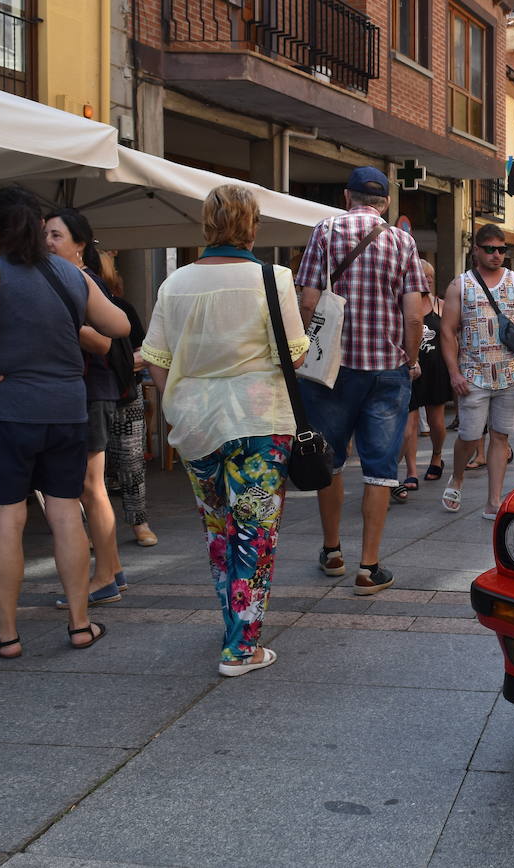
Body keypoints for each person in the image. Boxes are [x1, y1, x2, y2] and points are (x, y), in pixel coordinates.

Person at [0, 185, 129, 658]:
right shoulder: (69, 273)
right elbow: (121, 326)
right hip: (66, 409)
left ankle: (7, 636)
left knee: (7, 518)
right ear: (40, 227)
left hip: (5, 410)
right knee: (66, 512)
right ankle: (80, 625)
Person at [142, 184, 308, 677]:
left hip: (195, 421)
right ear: (252, 225)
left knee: (219, 529)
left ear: (207, 225)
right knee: (255, 531)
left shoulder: (174, 284)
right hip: (259, 421)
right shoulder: (272, 278)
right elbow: (294, 354)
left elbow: (156, 359)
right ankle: (242, 647)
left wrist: (177, 404)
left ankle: (233, 626)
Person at [295, 166, 425, 596]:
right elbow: (414, 314)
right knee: (380, 469)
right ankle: (369, 567)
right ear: (385, 202)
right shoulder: (402, 241)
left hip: (331, 368)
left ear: (347, 196)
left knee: (328, 458)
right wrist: (407, 357)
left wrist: (304, 353)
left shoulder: (325, 231)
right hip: (386, 368)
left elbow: (308, 299)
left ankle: (332, 551)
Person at [44, 209, 128, 608]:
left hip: (93, 389)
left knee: (90, 487)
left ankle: (104, 577)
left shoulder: (81, 280)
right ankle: (112, 569)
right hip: (90, 390)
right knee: (89, 487)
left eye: (56, 235)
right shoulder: (67, 280)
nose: (47, 242)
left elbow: (105, 342)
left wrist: (58, 322)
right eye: (44, 234)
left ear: (79, 245)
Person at [439, 224, 514, 519]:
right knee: (470, 437)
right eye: (490, 249)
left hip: (509, 374)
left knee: (500, 437)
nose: (497, 255)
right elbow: (447, 332)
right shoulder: (460, 285)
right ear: (476, 250)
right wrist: (454, 373)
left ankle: (494, 501)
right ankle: (457, 476)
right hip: (473, 375)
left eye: (502, 249)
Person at [99, 251, 158, 548]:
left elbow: (144, 351)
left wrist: (118, 363)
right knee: (91, 468)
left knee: (132, 463)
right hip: (89, 396)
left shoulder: (121, 307)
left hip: (125, 393)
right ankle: (93, 529)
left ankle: (139, 523)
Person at [393, 259, 452, 502]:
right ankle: (412, 471)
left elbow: (452, 338)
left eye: (429, 276)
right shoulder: (401, 304)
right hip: (409, 368)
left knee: (437, 422)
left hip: (435, 370)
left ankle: (437, 455)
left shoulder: (441, 306)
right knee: (409, 425)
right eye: (421, 276)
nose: (426, 280)